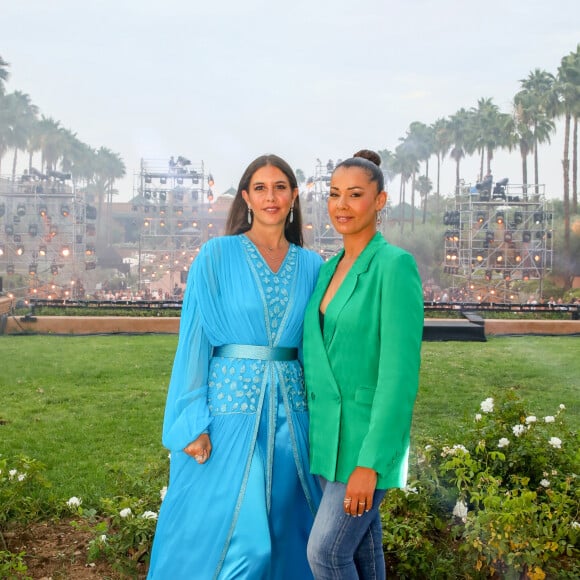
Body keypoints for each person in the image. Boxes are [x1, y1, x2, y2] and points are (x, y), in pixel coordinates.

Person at [147, 154, 323, 579]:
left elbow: (320, 350)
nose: (271, 196)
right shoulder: (216, 255)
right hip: (228, 417)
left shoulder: (314, 266)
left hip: (291, 423)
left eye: (280, 187)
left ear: (294, 196)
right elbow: (194, 341)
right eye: (260, 188)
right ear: (245, 196)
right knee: (246, 547)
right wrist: (192, 420)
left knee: (289, 538)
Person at [303, 150, 423, 579]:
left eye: (355, 195)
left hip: (364, 443)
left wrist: (370, 463)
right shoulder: (327, 269)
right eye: (335, 194)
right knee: (360, 555)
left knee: (325, 554)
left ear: (380, 200)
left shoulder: (394, 266)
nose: (342, 205)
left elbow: (399, 377)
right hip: (324, 441)